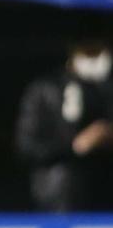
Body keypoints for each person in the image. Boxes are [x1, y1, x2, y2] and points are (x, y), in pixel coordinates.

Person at [15, 38, 113, 212]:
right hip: (61, 195)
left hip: (103, 194)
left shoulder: (105, 88)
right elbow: (27, 145)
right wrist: (76, 146)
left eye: (100, 51)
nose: (96, 58)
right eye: (90, 52)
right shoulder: (46, 89)